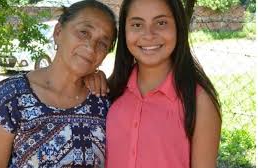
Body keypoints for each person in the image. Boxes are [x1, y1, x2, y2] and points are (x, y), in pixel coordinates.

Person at [0, 0, 117, 167]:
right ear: (58, 32)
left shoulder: (105, 101)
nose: (91, 47)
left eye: (102, 43)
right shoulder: (10, 97)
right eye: (84, 32)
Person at [86, 0, 222, 167]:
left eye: (161, 23)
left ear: (178, 27)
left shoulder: (199, 102)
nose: (149, 35)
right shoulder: (110, 91)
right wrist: (89, 78)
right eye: (137, 24)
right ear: (125, 32)